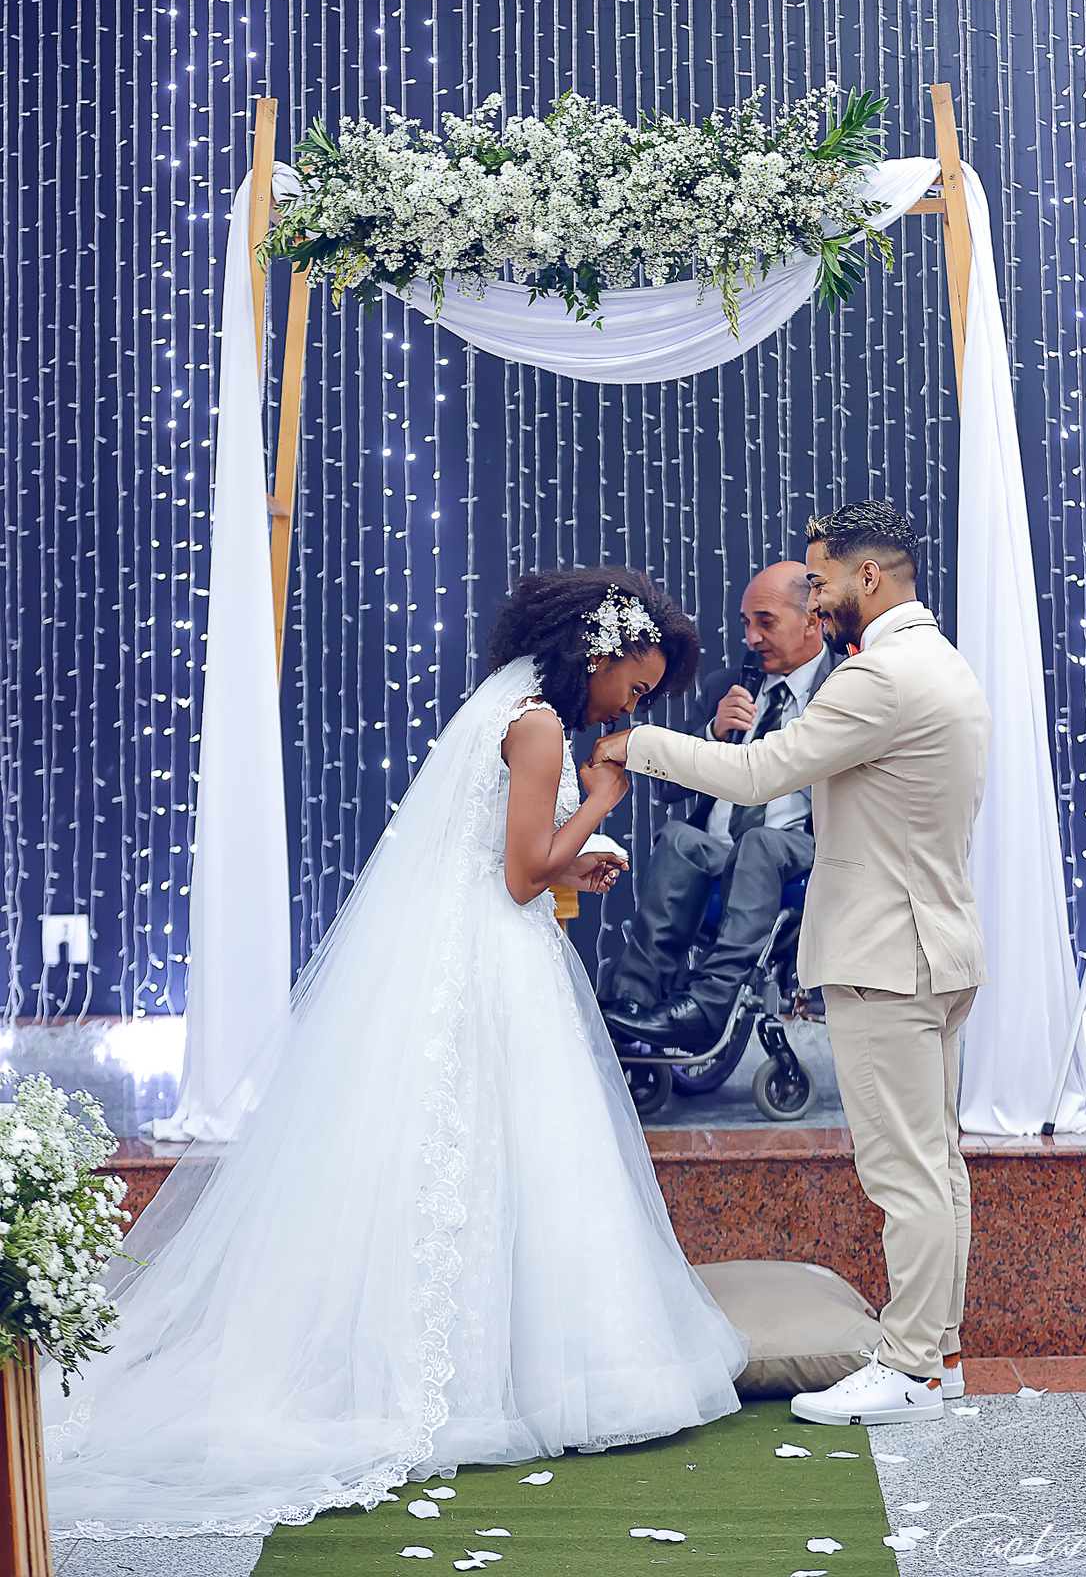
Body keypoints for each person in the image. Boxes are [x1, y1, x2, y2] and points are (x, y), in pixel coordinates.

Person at [44, 567, 746, 1538]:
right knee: (512, 1151)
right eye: (637, 684)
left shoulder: (510, 704)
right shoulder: (541, 726)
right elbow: (519, 877)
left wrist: (570, 854)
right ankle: (518, 1376)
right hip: (492, 958)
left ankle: (492, 1364)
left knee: (478, 1155)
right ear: (602, 653)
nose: (634, 705)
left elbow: (503, 856)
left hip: (467, 946)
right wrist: (601, 802)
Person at [588, 502, 991, 1427]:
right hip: (939, 949)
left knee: (904, 1175)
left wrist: (636, 744)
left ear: (868, 578)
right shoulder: (942, 662)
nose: (815, 597)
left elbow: (758, 776)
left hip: (887, 957)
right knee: (937, 1167)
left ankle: (913, 1368)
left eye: (821, 580)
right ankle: (942, 1355)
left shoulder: (878, 677)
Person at [600, 563, 840, 1052]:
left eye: (766, 622)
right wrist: (711, 734)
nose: (751, 638)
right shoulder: (725, 687)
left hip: (802, 851)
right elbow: (668, 793)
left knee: (760, 842)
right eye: (745, 623)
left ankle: (708, 1006)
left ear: (812, 620)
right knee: (680, 838)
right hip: (718, 849)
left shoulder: (844, 687)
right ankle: (630, 1003)